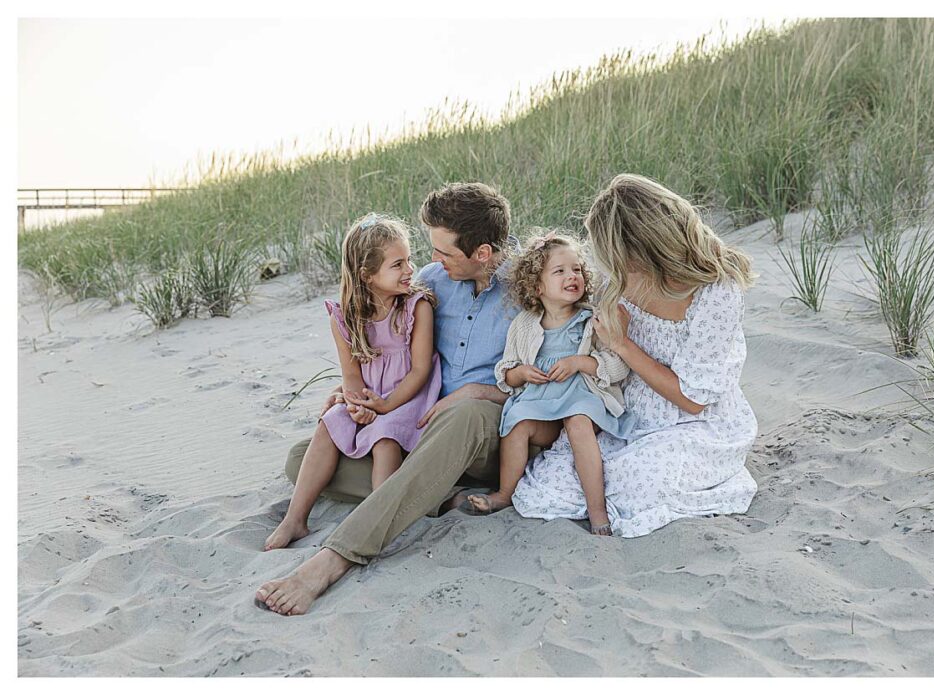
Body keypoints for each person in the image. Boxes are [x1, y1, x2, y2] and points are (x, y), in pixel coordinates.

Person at [256, 182, 526, 616]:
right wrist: (353, 392)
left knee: (462, 414)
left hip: (487, 428)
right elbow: (388, 339)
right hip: (419, 421)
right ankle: (439, 496)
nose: (431, 261)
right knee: (302, 458)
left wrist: (482, 391)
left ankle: (334, 557)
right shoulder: (432, 282)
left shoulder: (527, 293)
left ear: (482, 253)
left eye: (444, 252)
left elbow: (550, 381)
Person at [512, 174, 759, 538]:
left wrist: (623, 344)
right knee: (553, 483)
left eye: (619, 254)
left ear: (646, 248)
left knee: (643, 481)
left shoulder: (716, 293)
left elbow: (692, 400)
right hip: (629, 411)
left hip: (693, 421)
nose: (613, 265)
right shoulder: (620, 279)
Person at [263, 214, 441, 551]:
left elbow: (420, 370)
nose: (409, 270)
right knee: (330, 423)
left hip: (409, 396)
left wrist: (385, 406)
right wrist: (358, 405)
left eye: (409, 260)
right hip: (369, 394)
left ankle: (377, 522)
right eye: (397, 264)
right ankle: (295, 519)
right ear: (367, 275)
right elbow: (350, 374)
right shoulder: (344, 316)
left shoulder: (416, 307)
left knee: (385, 439)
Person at [465, 232, 634, 535]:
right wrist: (522, 373)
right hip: (542, 403)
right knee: (517, 422)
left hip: (582, 396)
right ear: (537, 286)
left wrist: (579, 363)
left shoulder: (590, 320)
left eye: (577, 269)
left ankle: (598, 513)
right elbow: (506, 370)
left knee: (578, 422)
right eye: (560, 271)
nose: (572, 277)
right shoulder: (525, 324)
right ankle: (504, 494)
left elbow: (618, 366)